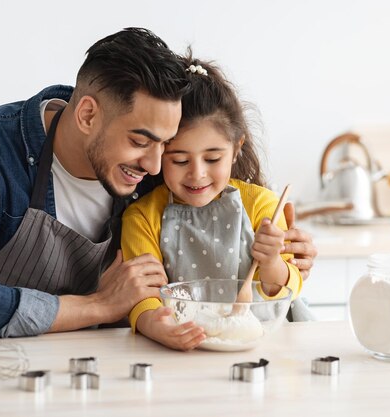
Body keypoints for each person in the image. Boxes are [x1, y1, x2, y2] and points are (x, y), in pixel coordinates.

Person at [0, 27, 317, 339]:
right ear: (88, 115)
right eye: (140, 141)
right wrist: (98, 306)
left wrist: (280, 256)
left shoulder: (162, 177)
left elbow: (223, 250)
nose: (156, 164)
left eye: (165, 146)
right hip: (2, 371)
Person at [121, 54, 314, 351]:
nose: (197, 173)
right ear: (160, 152)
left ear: (236, 149)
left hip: (264, 348)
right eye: (180, 159)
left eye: (213, 158)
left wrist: (272, 259)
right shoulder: (142, 217)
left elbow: (283, 288)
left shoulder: (262, 204)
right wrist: (152, 324)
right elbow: (142, 295)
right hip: (181, 348)